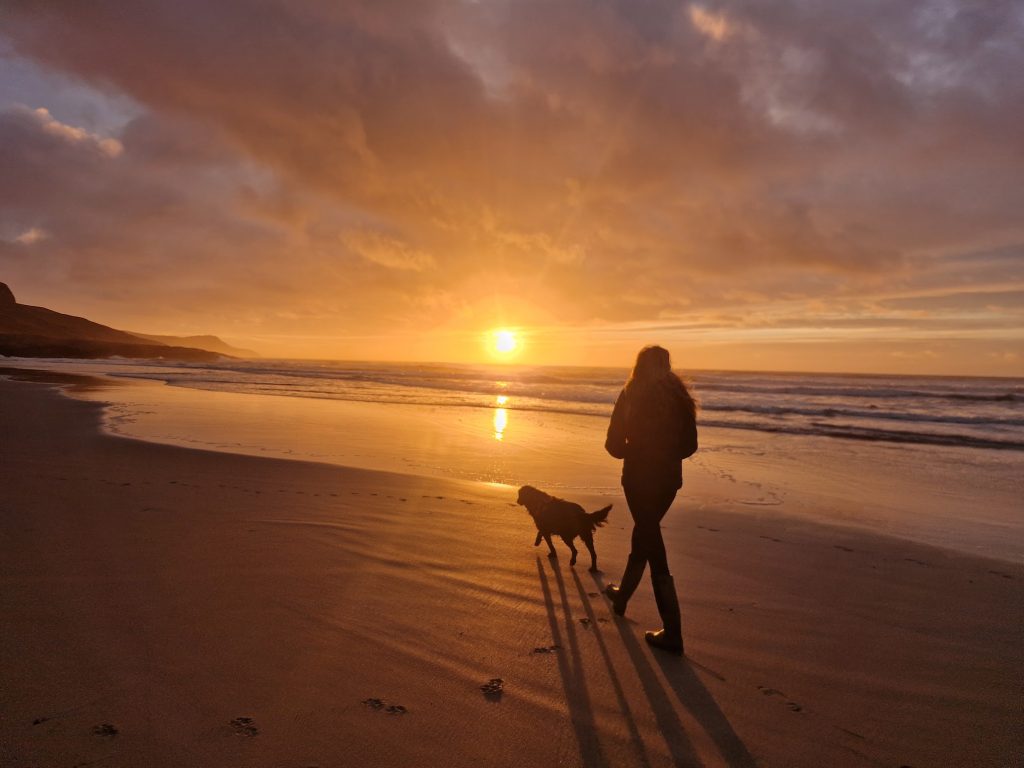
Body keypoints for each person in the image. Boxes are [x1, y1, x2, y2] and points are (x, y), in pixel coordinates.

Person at [604, 345, 698, 655]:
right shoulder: (681, 398)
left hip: (638, 480)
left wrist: (638, 451)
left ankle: (673, 634)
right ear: (667, 366)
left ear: (638, 366)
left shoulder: (631, 392)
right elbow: (690, 446)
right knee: (646, 533)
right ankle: (622, 597)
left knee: (652, 544)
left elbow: (614, 445)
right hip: (669, 481)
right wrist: (665, 455)